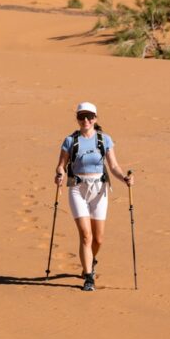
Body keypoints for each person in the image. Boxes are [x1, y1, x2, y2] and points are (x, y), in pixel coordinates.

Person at [54, 102, 134, 292]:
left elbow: (113, 166)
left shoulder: (104, 139)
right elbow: (61, 165)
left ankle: (90, 259)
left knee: (98, 239)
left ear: (95, 118)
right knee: (86, 235)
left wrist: (124, 178)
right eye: (82, 117)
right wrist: (59, 174)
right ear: (77, 119)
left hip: (99, 189)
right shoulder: (70, 140)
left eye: (89, 117)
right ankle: (88, 277)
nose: (86, 120)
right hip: (77, 188)